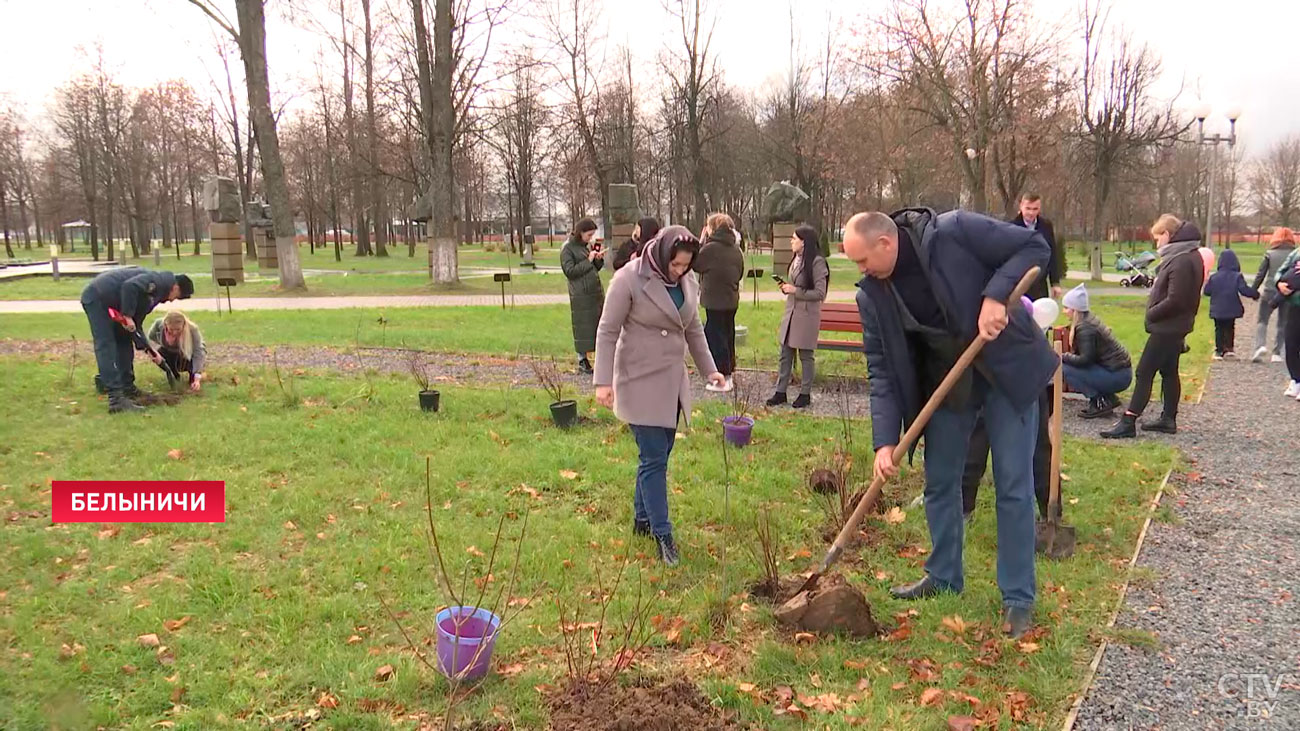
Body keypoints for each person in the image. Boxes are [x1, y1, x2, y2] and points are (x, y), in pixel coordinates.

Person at [843, 209, 1056, 638]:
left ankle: (1018, 597)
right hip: (947, 382)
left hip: (1004, 370)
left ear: (886, 243)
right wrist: (884, 442)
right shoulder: (873, 295)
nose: (861, 271)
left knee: (1012, 487)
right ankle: (943, 575)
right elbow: (881, 371)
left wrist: (996, 296)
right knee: (940, 482)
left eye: (863, 261)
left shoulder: (953, 232)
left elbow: (1034, 247)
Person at [593, 226, 726, 567]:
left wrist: (710, 369)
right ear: (664, 253)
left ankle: (641, 519)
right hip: (638, 379)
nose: (680, 271)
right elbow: (607, 331)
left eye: (686, 266)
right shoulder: (628, 279)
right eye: (676, 265)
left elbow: (693, 328)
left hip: (671, 382)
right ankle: (662, 534)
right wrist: (602, 382)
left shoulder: (688, 283)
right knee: (653, 458)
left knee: (660, 454)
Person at [960, 195, 1060, 526]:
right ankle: (964, 505)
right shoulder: (965, 269)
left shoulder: (1028, 239)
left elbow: (1042, 253)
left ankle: (1049, 509)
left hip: (1021, 356)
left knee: (1036, 443)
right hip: (984, 360)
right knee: (977, 434)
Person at [1101, 215, 1205, 439]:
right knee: (1168, 371)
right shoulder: (1187, 255)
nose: (1156, 243)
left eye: (1158, 238)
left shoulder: (1181, 260)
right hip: (1176, 326)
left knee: (1144, 371)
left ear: (1167, 235)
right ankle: (1168, 418)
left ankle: (1128, 421)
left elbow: (1176, 298)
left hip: (1167, 327)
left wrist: (1152, 313)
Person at [81, 267, 194, 413]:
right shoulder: (158, 282)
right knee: (106, 345)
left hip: (111, 301)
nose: (172, 301)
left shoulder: (155, 294)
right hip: (98, 298)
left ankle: (127, 388)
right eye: (177, 296)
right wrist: (127, 315)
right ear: (175, 287)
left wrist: (150, 350)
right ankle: (116, 399)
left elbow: (136, 325)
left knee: (124, 340)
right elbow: (129, 286)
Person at [766, 225, 830, 409]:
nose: (791, 241)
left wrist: (795, 290)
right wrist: (787, 288)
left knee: (805, 355)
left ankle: (805, 393)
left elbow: (819, 293)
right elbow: (796, 285)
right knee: (785, 354)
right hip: (791, 313)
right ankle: (780, 392)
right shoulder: (796, 259)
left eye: (794, 238)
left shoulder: (817, 262)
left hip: (807, 316)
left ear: (804, 241)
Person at [1059, 284, 1132, 419]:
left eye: (1066, 308)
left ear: (1075, 310)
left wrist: (1062, 356)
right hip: (1120, 372)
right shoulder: (1088, 321)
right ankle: (1108, 398)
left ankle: (1100, 402)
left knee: (1064, 368)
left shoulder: (1085, 328)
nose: (1064, 311)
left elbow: (1085, 360)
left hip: (1118, 376)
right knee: (1067, 365)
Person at [694, 212, 744, 393]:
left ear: (712, 228)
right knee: (727, 334)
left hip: (714, 300)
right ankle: (729, 371)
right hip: (731, 299)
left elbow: (695, 264)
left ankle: (720, 376)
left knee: (715, 337)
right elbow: (739, 272)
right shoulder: (736, 249)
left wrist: (701, 242)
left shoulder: (710, 248)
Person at [560, 218, 605, 374]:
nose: (590, 238)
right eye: (588, 235)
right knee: (582, 326)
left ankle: (601, 357)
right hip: (580, 295)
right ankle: (582, 359)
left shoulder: (585, 247)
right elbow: (570, 272)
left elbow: (593, 268)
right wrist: (588, 260)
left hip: (595, 293)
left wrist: (598, 260)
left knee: (598, 325)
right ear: (580, 233)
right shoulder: (567, 249)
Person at [1202, 249, 1259, 360]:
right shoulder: (1237, 276)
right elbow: (1243, 290)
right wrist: (1254, 294)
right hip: (1232, 307)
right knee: (1230, 327)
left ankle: (1219, 351)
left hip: (1217, 308)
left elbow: (1207, 292)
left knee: (1218, 328)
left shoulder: (1214, 277)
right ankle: (1229, 348)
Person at [1250, 227, 1296, 362]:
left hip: (1270, 291)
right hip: (1288, 292)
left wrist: (1254, 290)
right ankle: (1277, 352)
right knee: (1283, 322)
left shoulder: (1269, 254)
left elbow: (1261, 274)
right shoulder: (1294, 255)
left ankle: (1260, 346)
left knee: (1262, 320)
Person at [1013, 193, 1065, 301]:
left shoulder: (1046, 226)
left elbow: (1052, 254)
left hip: (1040, 283)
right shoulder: (1011, 227)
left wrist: (1055, 282)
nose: (1031, 213)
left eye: (1035, 209)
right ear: (1021, 206)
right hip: (1018, 283)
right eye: (1028, 208)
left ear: (1039, 208)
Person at [147, 310, 208, 392]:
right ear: (165, 324)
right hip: (169, 352)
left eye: (178, 329)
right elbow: (150, 339)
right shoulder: (158, 325)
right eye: (171, 329)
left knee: (194, 376)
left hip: (188, 353)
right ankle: (173, 374)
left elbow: (199, 352)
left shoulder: (192, 329)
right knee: (159, 352)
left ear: (184, 325)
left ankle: (193, 375)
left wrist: (197, 378)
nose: (174, 332)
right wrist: (154, 352)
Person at [1273, 247, 1300, 399]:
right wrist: (1279, 283)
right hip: (1295, 305)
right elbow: (1281, 271)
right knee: (1291, 344)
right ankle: (1296, 379)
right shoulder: (1296, 253)